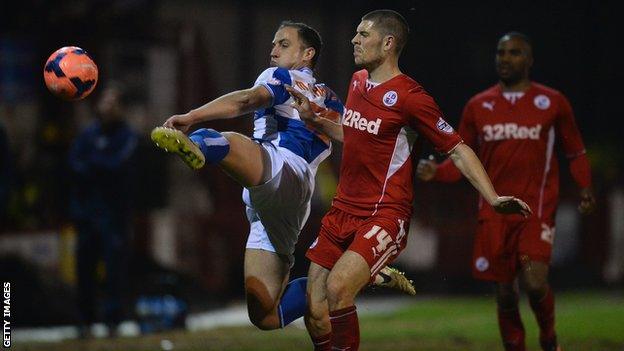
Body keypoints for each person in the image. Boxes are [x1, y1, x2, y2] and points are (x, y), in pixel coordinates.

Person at [286, 10, 531, 351]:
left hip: (385, 213)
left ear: (387, 43)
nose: (354, 39)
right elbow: (354, 134)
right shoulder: (358, 81)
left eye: (363, 34)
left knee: (338, 290)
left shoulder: (411, 97)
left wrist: (492, 197)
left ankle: (371, 271)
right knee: (314, 308)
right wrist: (314, 119)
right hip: (343, 209)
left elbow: (457, 149)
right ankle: (373, 276)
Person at [151, 21, 414, 332]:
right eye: (274, 44)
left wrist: (191, 116)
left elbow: (246, 101)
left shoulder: (282, 77)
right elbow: (358, 137)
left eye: (283, 44)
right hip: (287, 200)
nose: (273, 50)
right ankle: (365, 273)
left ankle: (199, 145)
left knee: (224, 139)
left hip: (281, 169)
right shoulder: (331, 98)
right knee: (266, 315)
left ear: (307, 54)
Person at [416, 32, 595, 351]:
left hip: (535, 209)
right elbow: (463, 155)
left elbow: (575, 150)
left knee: (535, 282)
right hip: (494, 210)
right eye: (500, 53)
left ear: (529, 60)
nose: (505, 59)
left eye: (514, 53)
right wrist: (437, 172)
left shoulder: (552, 102)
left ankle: (549, 338)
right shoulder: (478, 105)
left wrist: (584, 187)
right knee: (505, 293)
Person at [68, 82, 138, 336]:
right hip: (87, 214)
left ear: (121, 108)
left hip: (114, 216)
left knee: (113, 270)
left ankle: (113, 322)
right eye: (104, 101)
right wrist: (100, 166)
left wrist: (94, 165)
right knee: (84, 269)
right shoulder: (88, 134)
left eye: (112, 102)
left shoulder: (127, 136)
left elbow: (116, 167)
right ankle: (85, 322)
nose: (106, 106)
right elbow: (74, 165)